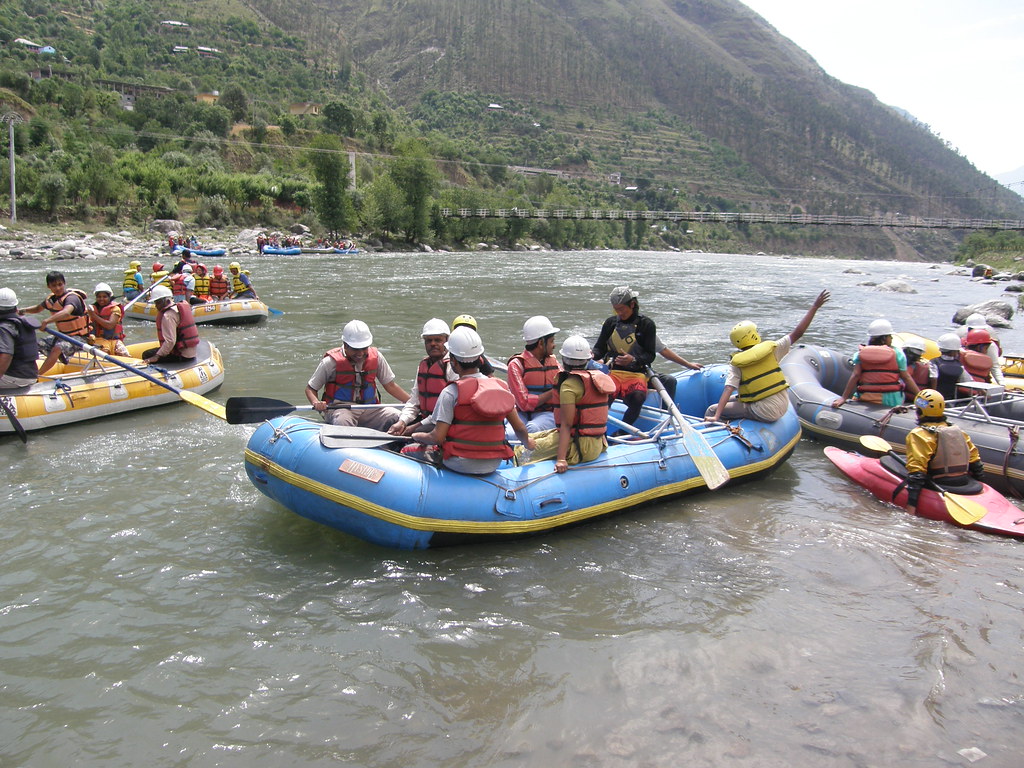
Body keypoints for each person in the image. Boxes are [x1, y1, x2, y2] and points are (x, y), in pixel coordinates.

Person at [412, 326, 533, 475]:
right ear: (480, 359)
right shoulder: (501, 387)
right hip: (494, 462)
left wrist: (416, 436)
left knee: (408, 452)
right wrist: (528, 443)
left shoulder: (450, 392)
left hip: (458, 462)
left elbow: (437, 437)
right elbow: (520, 428)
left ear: (454, 362)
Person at [708, 289, 830, 422]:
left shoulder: (737, 363)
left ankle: (716, 430)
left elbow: (728, 388)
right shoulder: (773, 349)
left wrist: (716, 415)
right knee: (734, 399)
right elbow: (798, 332)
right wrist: (814, 307)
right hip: (781, 404)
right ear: (753, 335)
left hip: (764, 411)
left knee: (712, 409)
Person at [520, 335, 616, 473]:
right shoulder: (597, 378)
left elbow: (566, 424)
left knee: (522, 450)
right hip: (598, 442)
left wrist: (561, 459)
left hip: (581, 445)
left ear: (564, 360)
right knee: (533, 438)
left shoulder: (568, 386)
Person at [304, 319, 408, 431]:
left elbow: (390, 385)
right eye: (355, 349)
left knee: (398, 416)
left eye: (364, 348)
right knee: (343, 421)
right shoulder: (330, 362)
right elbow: (310, 389)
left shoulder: (377, 357)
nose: (360, 353)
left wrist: (412, 403)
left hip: (369, 409)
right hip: (340, 409)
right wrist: (316, 402)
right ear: (345, 344)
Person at [905, 389, 984, 514]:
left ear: (919, 412)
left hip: (940, 484)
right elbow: (975, 462)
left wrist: (911, 509)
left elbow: (917, 472)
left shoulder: (919, 434)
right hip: (964, 482)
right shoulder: (957, 431)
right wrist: (981, 488)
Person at [591, 286, 659, 428]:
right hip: (613, 373)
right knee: (604, 396)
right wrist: (592, 355)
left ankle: (623, 431)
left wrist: (633, 359)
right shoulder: (610, 323)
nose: (619, 313)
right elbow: (600, 348)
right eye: (616, 309)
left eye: (622, 309)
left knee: (638, 398)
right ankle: (598, 430)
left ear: (632, 304)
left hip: (635, 374)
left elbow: (650, 355)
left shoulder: (646, 325)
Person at [389, 318, 458, 436]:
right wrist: (402, 421)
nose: (433, 344)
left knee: (410, 434)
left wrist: (416, 426)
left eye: (438, 340)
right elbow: (414, 401)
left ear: (447, 341)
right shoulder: (424, 365)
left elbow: (448, 410)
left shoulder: (453, 367)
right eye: (428, 341)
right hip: (427, 419)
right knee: (395, 426)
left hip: (444, 423)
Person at [832, 317, 920, 408]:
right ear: (884, 338)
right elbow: (906, 377)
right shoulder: (898, 354)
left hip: (865, 396)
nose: (892, 338)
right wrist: (920, 396)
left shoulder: (860, 353)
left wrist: (843, 398)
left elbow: (856, 375)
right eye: (890, 336)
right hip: (891, 400)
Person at [22, 271, 91, 375]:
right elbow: (37, 309)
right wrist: (21, 311)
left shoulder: (72, 298)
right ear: (48, 286)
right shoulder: (51, 300)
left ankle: (37, 375)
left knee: (58, 348)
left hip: (80, 338)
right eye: (54, 286)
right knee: (33, 344)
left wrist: (47, 321)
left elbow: (66, 312)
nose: (58, 288)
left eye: (60, 284)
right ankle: (24, 371)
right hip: (62, 336)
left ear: (64, 283)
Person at [507, 315, 561, 433]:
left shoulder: (554, 362)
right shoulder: (516, 365)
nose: (554, 345)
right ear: (541, 343)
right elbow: (524, 404)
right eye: (552, 341)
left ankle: (526, 450)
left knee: (532, 428)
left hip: (547, 413)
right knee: (510, 434)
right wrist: (554, 391)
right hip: (522, 413)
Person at [141, 285, 200, 364]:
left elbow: (170, 341)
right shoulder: (177, 309)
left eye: (158, 302)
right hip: (190, 353)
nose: (156, 306)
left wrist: (157, 356)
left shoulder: (168, 316)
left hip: (181, 355)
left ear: (166, 301)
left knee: (147, 354)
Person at [0, 288, 39, 388]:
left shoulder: (4, 328)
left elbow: (6, 355)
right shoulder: (21, 322)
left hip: (14, 377)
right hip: (31, 375)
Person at [87, 283, 129, 356]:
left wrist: (93, 315)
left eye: (104, 296)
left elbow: (110, 325)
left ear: (109, 297)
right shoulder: (92, 309)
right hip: (98, 339)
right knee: (103, 352)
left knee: (125, 354)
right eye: (99, 297)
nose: (101, 299)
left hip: (114, 340)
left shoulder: (115, 309)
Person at [931, 333, 973, 401]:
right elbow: (968, 380)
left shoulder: (934, 362)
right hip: (952, 399)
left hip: (937, 398)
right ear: (955, 351)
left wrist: (933, 396)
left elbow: (933, 378)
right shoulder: (959, 365)